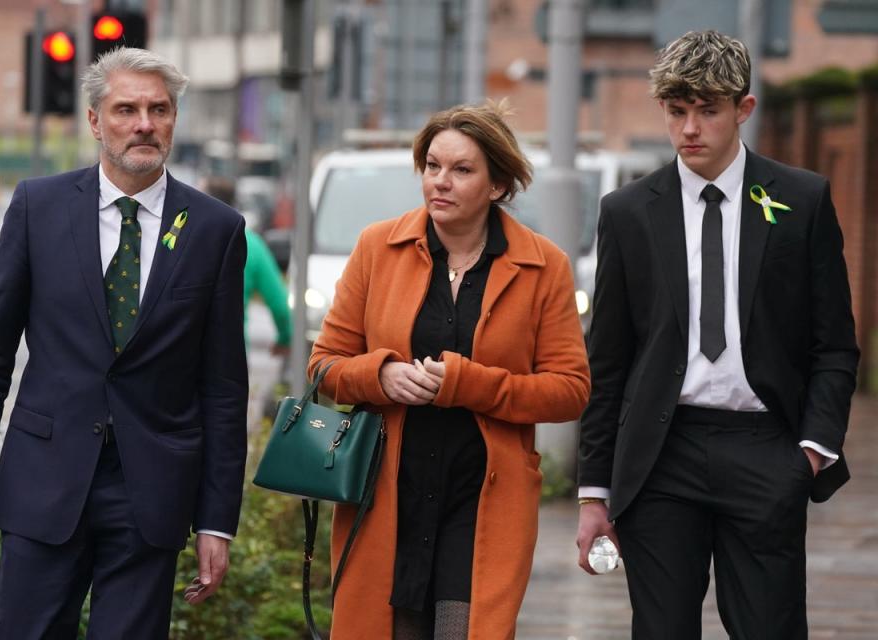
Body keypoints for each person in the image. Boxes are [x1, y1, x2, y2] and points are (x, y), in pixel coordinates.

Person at [0, 47, 249, 639]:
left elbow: (224, 389)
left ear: (174, 119)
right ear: (93, 121)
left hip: (152, 496)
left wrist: (217, 520)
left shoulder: (216, 229)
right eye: (126, 109)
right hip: (43, 484)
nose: (144, 124)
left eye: (159, 110)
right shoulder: (38, 207)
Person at [576, 30, 859, 639]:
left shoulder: (800, 200)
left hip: (765, 448)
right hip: (661, 455)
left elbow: (834, 344)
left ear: (743, 109)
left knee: (770, 629)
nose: (690, 129)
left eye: (707, 110)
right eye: (677, 112)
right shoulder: (627, 211)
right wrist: (594, 493)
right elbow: (609, 359)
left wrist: (810, 452)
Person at [309, 101, 590, 639]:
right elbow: (324, 365)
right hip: (386, 495)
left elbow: (570, 391)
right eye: (432, 166)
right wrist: (382, 375)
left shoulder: (543, 265)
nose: (441, 182)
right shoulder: (377, 248)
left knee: (466, 627)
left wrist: (469, 384)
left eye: (462, 170)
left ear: (498, 185)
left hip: (483, 500)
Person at [204, 175, 292, 357]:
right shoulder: (250, 243)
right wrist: (285, 339)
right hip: (231, 353)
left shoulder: (179, 238)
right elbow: (280, 305)